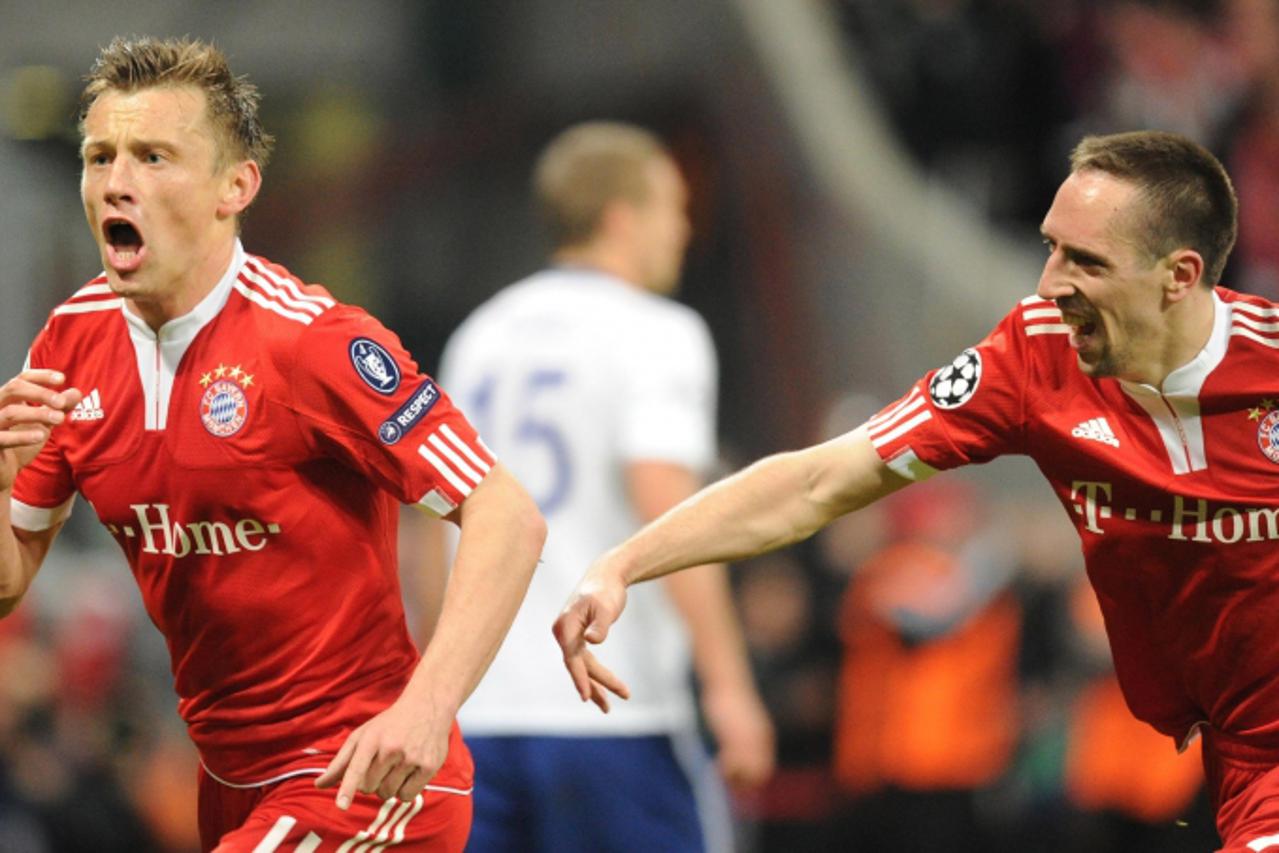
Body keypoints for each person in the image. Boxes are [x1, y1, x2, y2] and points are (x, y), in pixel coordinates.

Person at [555, 129, 1279, 853]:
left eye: (1084, 260)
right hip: (1234, 757)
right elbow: (815, 482)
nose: (1049, 282)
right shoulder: (1033, 356)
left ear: (1178, 275)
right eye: (1050, 247)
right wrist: (623, 562)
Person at [0, 37, 546, 852]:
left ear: (235, 186)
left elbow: (507, 514)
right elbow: (10, 584)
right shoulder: (69, 346)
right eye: (100, 156)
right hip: (227, 780)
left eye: (153, 157)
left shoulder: (310, 344)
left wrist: (426, 708)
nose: (117, 181)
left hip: (366, 772)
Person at [437, 121, 774, 853]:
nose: (683, 231)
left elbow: (427, 517)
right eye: (672, 209)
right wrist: (727, 682)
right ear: (622, 218)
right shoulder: (655, 331)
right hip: (614, 714)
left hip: (481, 715)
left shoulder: (477, 338)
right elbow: (666, 499)